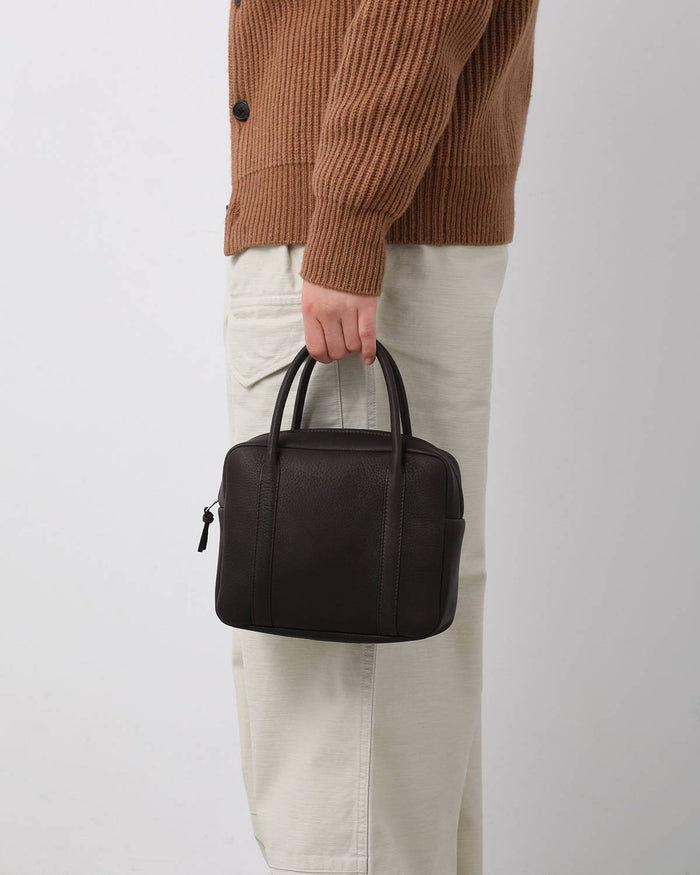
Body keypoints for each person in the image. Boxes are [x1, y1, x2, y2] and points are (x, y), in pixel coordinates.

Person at [221, 2, 539, 873]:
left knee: (342, 729)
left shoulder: (351, 226)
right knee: (392, 721)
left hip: (357, 229)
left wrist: (350, 221)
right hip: (373, 218)